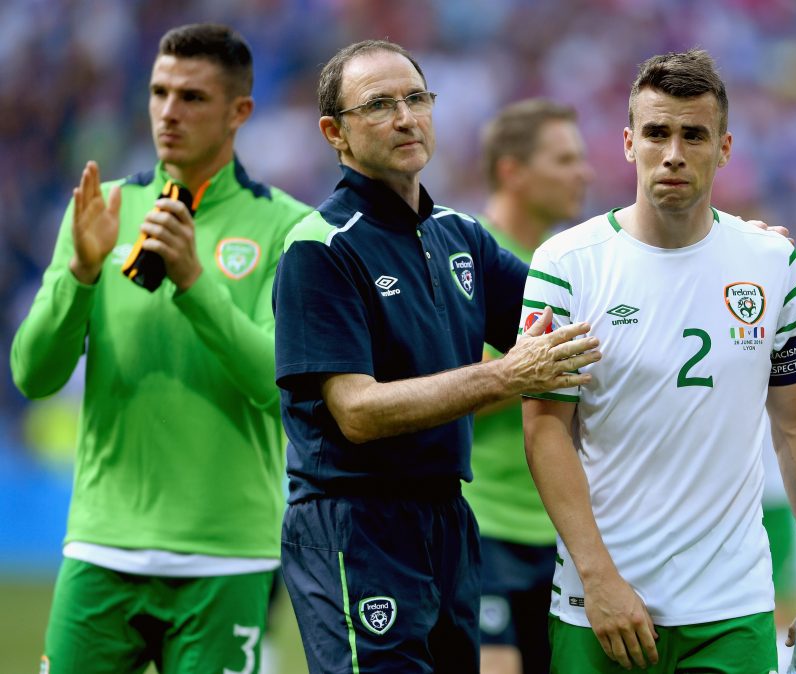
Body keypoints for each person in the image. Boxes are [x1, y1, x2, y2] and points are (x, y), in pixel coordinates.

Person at [271, 40, 601, 674]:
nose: (405, 117)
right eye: (379, 105)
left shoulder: (461, 236)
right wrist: (505, 374)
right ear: (333, 134)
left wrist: (710, 251)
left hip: (448, 519)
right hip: (356, 524)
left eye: (416, 98)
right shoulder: (320, 248)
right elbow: (356, 411)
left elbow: (581, 321)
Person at [520, 48, 796, 674]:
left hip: (730, 609)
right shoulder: (566, 264)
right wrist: (598, 578)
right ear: (627, 142)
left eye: (693, 135)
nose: (673, 152)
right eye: (656, 132)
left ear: (723, 149)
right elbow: (544, 430)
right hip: (603, 607)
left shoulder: (770, 263)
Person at [10, 24, 312, 674]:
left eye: (192, 97)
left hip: (225, 554)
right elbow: (33, 373)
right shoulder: (102, 210)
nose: (168, 112)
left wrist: (194, 282)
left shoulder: (287, 227)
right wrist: (80, 276)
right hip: (101, 546)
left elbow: (277, 385)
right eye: (158, 92)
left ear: (239, 113)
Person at [463, 99, 594, 674]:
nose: (583, 173)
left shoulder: (572, 266)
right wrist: (521, 371)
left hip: (563, 529)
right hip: (483, 524)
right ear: (513, 171)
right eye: (565, 159)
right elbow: (433, 397)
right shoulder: (461, 258)